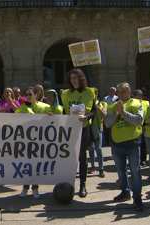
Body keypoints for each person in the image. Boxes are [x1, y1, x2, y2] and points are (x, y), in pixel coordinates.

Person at [104, 82, 145, 211]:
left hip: (132, 144)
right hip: (117, 145)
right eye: (119, 92)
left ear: (129, 92)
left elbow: (138, 121)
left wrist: (123, 113)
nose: (120, 94)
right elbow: (107, 124)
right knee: (121, 171)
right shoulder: (113, 106)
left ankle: (137, 197)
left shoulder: (138, 104)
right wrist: (116, 114)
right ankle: (125, 192)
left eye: (123, 92)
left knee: (135, 171)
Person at [61, 68, 97, 198]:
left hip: (84, 128)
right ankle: (69, 184)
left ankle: (83, 185)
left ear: (81, 78)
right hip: (70, 128)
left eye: (75, 78)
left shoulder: (90, 92)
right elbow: (63, 111)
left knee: (82, 157)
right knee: (70, 157)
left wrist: (87, 117)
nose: (73, 80)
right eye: (71, 78)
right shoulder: (65, 93)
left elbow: (94, 111)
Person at [15, 86, 50, 198]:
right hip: (26, 140)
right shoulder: (22, 108)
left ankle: (35, 188)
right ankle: (25, 188)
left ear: (36, 95)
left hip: (40, 140)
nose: (28, 97)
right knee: (26, 164)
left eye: (30, 94)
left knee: (36, 165)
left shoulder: (45, 107)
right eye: (26, 95)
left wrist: (51, 116)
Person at [87, 87, 107, 178]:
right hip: (90, 128)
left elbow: (104, 115)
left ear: (97, 94)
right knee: (91, 148)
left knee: (98, 148)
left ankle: (101, 168)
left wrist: (97, 107)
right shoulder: (88, 104)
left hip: (99, 129)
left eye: (94, 94)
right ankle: (93, 166)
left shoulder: (103, 104)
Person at [133, 89, 149, 167]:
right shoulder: (132, 103)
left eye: (140, 95)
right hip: (134, 125)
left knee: (143, 144)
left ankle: (143, 160)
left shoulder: (145, 103)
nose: (139, 97)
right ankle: (136, 160)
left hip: (144, 124)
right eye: (137, 95)